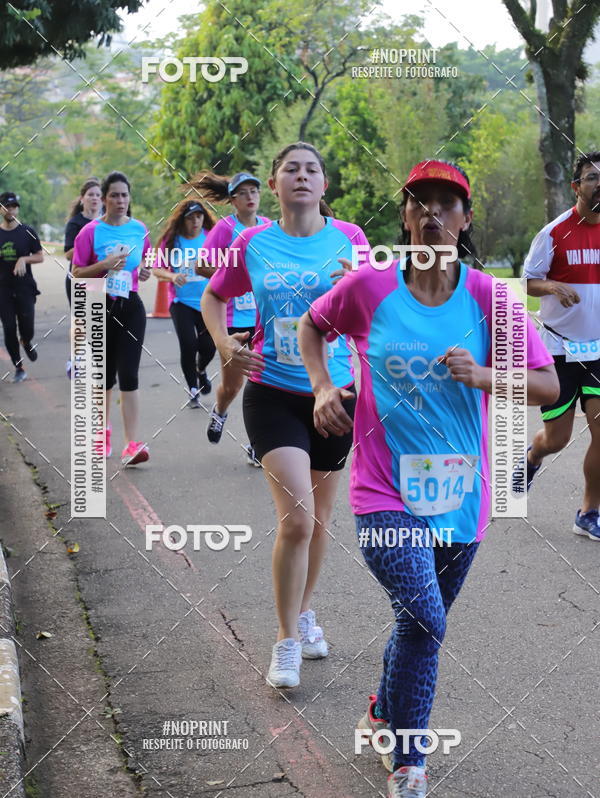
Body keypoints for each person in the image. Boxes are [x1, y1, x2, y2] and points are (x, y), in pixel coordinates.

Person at [297, 160, 559, 797]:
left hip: (463, 496)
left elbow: (550, 385)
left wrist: (487, 376)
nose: (433, 215)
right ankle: (409, 759)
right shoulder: (367, 288)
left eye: (448, 205)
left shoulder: (491, 298)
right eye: (421, 204)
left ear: (465, 221)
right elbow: (312, 325)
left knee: (418, 623)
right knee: (426, 617)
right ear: (406, 218)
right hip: (383, 490)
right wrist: (324, 384)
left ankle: (383, 711)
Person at [202, 142, 370, 689]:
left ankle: (304, 610)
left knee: (320, 521)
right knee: (296, 519)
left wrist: (358, 287)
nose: (302, 177)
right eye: (290, 170)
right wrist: (226, 344)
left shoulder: (351, 240)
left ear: (325, 185)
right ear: (273, 186)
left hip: (334, 395)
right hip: (271, 391)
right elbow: (212, 297)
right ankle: (285, 640)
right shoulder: (251, 242)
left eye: (312, 170)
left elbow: (376, 310)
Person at [516, 151, 600, 540]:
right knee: (558, 438)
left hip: (599, 352)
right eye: (593, 178)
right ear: (576, 186)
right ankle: (532, 459)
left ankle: (588, 512)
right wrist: (551, 286)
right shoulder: (554, 232)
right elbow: (528, 281)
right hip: (559, 351)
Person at [187, 170, 269, 464]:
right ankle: (220, 409)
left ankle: (257, 445)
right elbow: (201, 267)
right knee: (233, 386)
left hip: (262, 319)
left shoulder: (269, 228)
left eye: (254, 191)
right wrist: (235, 278)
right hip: (232, 319)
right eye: (244, 193)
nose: (250, 197)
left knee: (263, 385)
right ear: (233, 200)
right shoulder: (224, 229)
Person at [71, 171, 152, 466]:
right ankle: (101, 430)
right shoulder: (90, 232)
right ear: (104, 198)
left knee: (129, 374)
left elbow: (145, 260)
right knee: (104, 376)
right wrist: (104, 264)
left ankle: (131, 444)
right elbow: (77, 272)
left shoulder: (139, 229)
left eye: (125, 195)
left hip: (130, 306)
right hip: (98, 304)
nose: (121, 200)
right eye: (115, 195)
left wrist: (143, 270)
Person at [153, 198, 218, 407]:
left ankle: (201, 370)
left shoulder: (210, 237)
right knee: (189, 344)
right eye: (191, 217)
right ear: (183, 220)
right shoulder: (172, 241)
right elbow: (156, 269)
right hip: (181, 302)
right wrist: (171, 277)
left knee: (209, 346)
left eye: (199, 216)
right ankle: (192, 389)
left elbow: (224, 264)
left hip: (208, 300)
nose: (195, 221)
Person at [0, 191, 44, 383]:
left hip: (25, 287)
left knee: (27, 327)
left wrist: (24, 259)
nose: (10, 210)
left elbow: (40, 256)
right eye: (6, 206)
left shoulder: (27, 231)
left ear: (17, 208)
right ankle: (19, 367)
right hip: (3, 290)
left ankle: (26, 340)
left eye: (13, 206)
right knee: (9, 328)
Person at [64, 178, 102, 378]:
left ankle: (94, 361)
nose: (94, 198)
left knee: (96, 322)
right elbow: (68, 253)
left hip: (102, 280)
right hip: (78, 278)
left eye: (97, 195)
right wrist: (86, 247)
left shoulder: (107, 222)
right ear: (82, 199)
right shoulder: (76, 223)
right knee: (80, 321)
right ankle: (75, 359)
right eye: (90, 195)